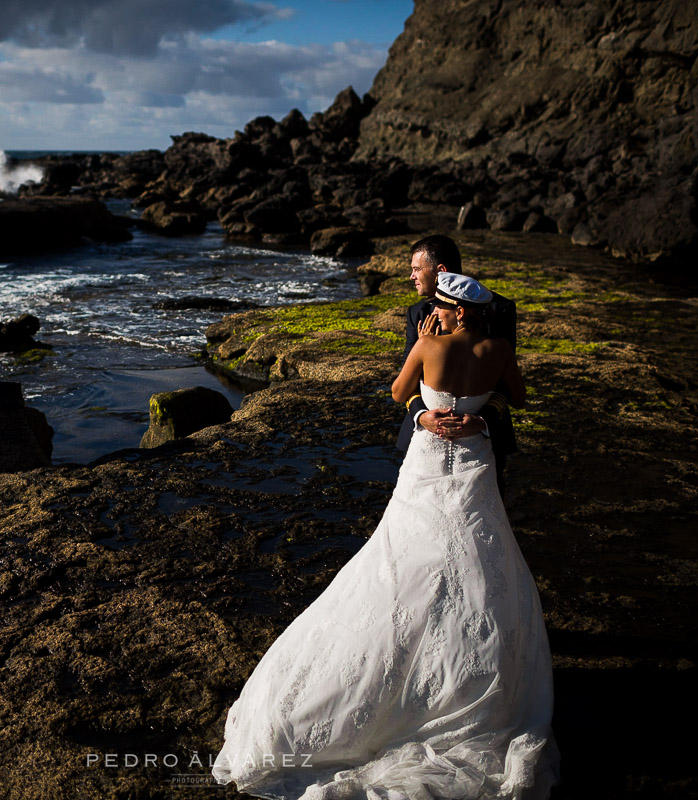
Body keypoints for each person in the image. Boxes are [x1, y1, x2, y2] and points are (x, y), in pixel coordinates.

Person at [212, 273, 557, 800]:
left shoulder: (428, 343)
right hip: (473, 458)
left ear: (459, 312)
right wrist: (479, 414)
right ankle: (470, 666)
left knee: (404, 554)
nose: (431, 312)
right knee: (475, 549)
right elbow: (520, 398)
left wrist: (425, 409)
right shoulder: (499, 347)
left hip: (427, 459)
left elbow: (398, 392)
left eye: (439, 306)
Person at [398, 236, 518, 492]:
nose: (411, 276)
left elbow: (507, 380)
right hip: (425, 437)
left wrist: (482, 420)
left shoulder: (499, 309)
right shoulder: (416, 312)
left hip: (483, 437)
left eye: (417, 269)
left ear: (440, 271)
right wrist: (421, 415)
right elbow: (406, 382)